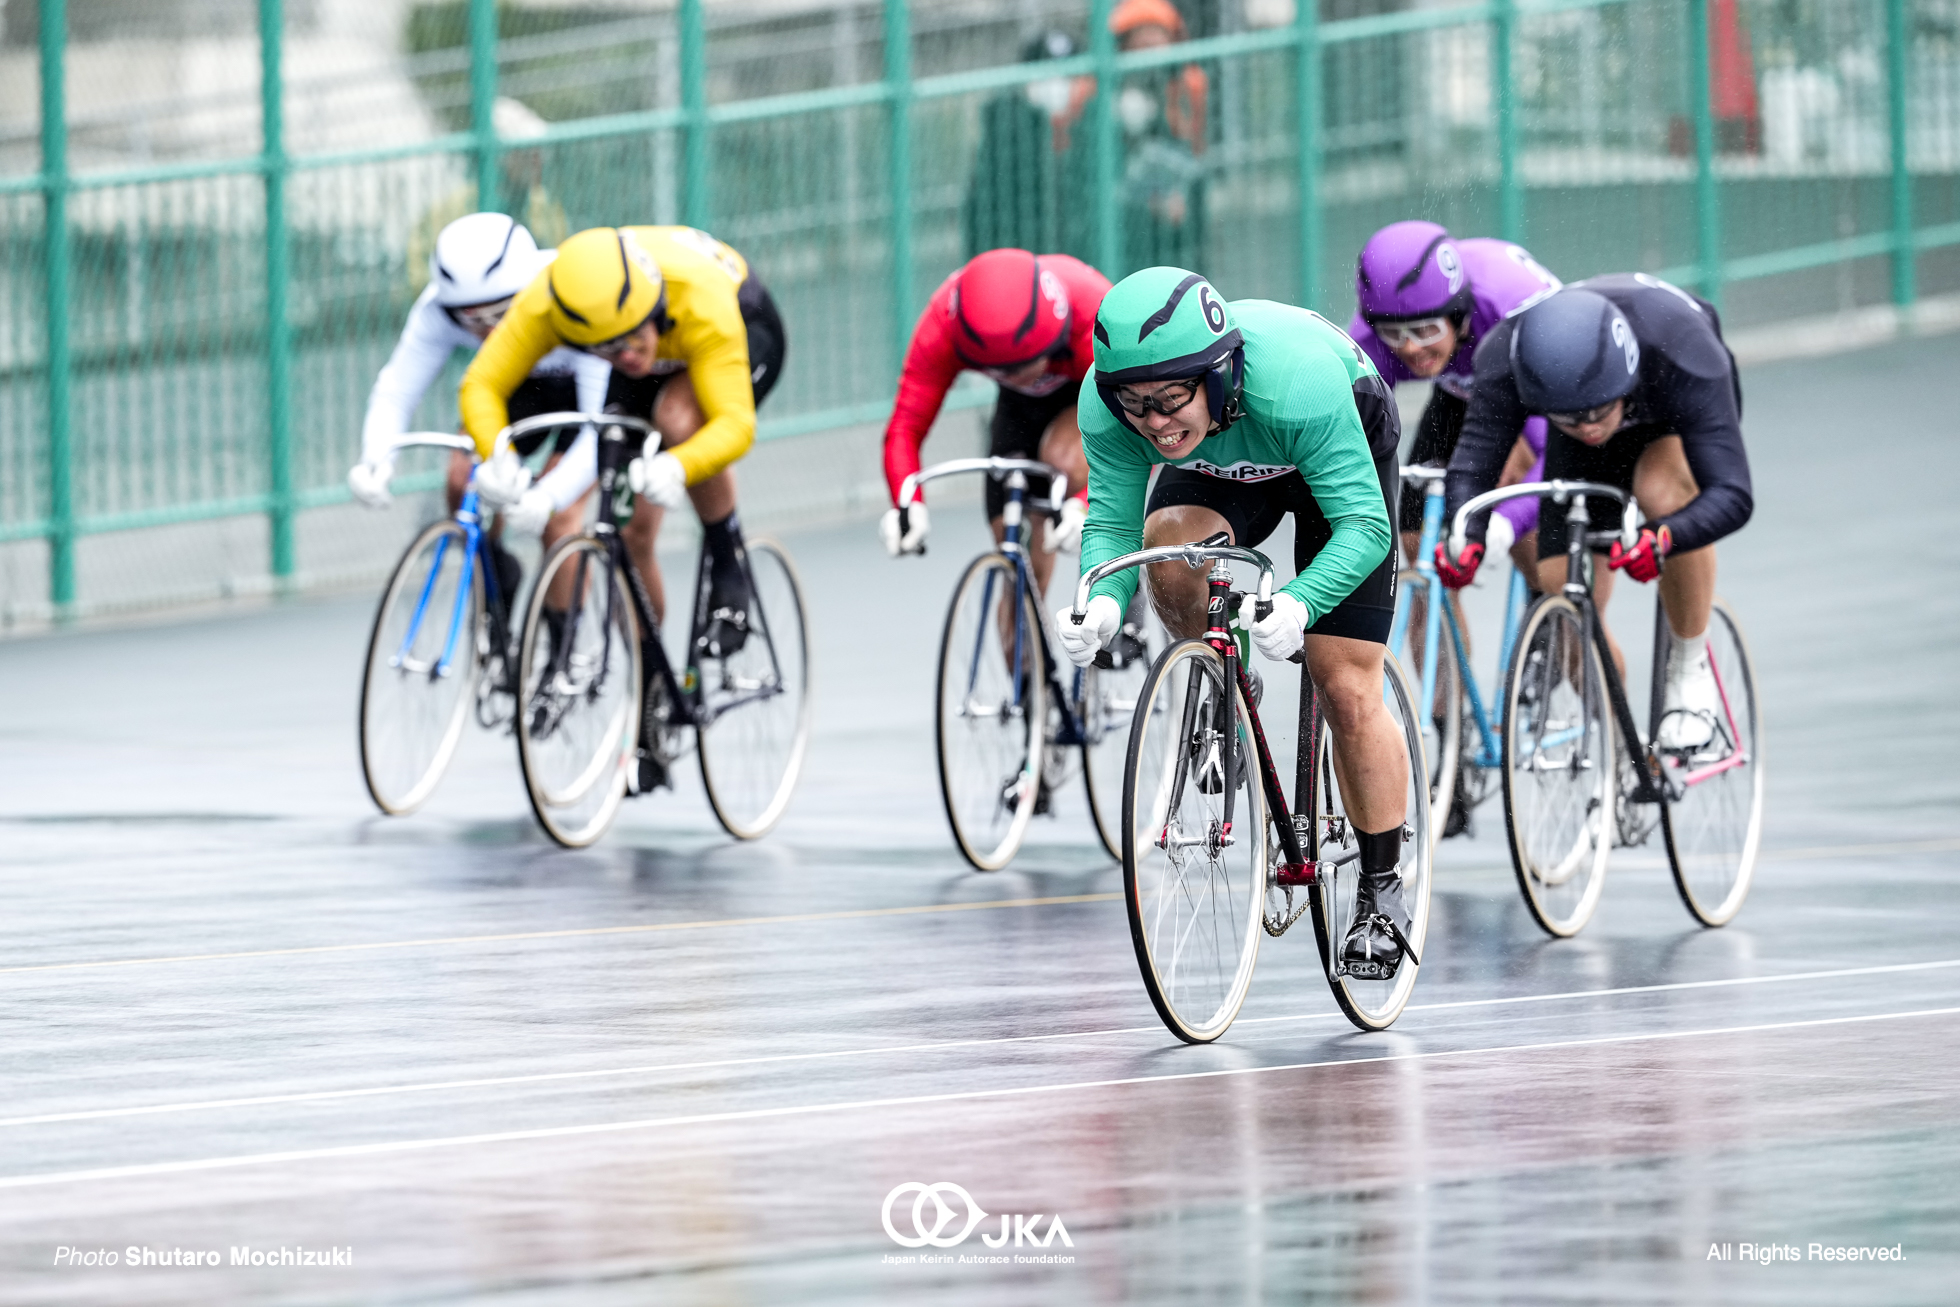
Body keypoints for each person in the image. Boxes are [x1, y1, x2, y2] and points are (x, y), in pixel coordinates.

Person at [1053, 266, 1416, 978]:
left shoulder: (1298, 383)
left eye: (1168, 400)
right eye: (1136, 405)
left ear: (1215, 373)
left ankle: (1381, 887)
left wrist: (1301, 602)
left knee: (1342, 678)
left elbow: (1366, 529)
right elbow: (1114, 524)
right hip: (1222, 463)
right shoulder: (1110, 409)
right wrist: (1100, 603)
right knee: (1168, 552)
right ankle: (1225, 672)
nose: (1154, 422)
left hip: (1327, 448)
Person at [1435, 275, 1753, 752]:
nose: (1588, 428)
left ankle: (1689, 665)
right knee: (1560, 582)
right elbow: (1475, 460)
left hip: (1666, 410)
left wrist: (1664, 537)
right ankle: (1622, 759)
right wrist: (1468, 533)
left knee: (1660, 491)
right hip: (1582, 397)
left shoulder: (1686, 352)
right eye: (1571, 418)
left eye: (1597, 413)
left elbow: (1732, 493)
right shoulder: (1505, 358)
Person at [458, 224, 786, 656]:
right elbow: (481, 383)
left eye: (633, 339)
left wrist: (678, 465)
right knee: (631, 533)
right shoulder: (547, 306)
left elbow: (735, 425)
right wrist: (496, 455)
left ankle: (728, 560)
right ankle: (649, 677)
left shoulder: (700, 300)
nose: (627, 355)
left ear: (652, 312)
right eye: (607, 349)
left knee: (678, 419)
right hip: (651, 344)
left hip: (739, 320)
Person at [346, 211, 611, 604]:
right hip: (513, 386)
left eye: (501, 311)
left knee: (559, 518)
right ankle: (497, 572)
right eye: (469, 318)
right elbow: (397, 390)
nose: (487, 329)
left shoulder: (575, 296)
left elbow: (597, 429)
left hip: (586, 385)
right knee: (461, 477)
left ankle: (559, 643)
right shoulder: (438, 310)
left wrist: (548, 495)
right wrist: (377, 456)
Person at [880, 248, 1110, 602]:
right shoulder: (943, 323)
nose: (1015, 377)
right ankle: (1027, 644)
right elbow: (904, 428)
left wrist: (1086, 504)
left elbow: (1138, 430)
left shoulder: (1092, 316)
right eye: (1001, 372)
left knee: (1062, 458)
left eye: (1024, 366)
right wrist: (908, 502)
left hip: (1091, 393)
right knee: (1014, 559)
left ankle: (1117, 574)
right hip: (1016, 411)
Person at [1351, 220, 1562, 573]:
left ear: (1460, 315)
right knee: (1417, 545)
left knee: (1512, 482)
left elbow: (1556, 453)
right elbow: (1348, 427)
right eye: (1393, 334)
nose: (1411, 348)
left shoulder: (1506, 307)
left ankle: (1544, 602)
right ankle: (1436, 625)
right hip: (1459, 390)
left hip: (1533, 381)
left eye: (1425, 330)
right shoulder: (1373, 338)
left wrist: (1507, 521)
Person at [406, 97, 571, 303]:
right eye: (527, 155)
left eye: (540, 153)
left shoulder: (543, 206)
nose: (537, 163)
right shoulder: (456, 210)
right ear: (501, 157)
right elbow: (421, 274)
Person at [962, 31, 1096, 261]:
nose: (1057, 84)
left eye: (1067, 75)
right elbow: (986, 217)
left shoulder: (1091, 130)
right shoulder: (1007, 133)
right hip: (1019, 263)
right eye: (1045, 74)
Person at [1111, 0, 1209, 272]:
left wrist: (1172, 189)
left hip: (1175, 194)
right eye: (1141, 37)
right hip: (1127, 200)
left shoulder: (1186, 81)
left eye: (1158, 35)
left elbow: (1193, 144)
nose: (1151, 44)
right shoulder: (1110, 87)